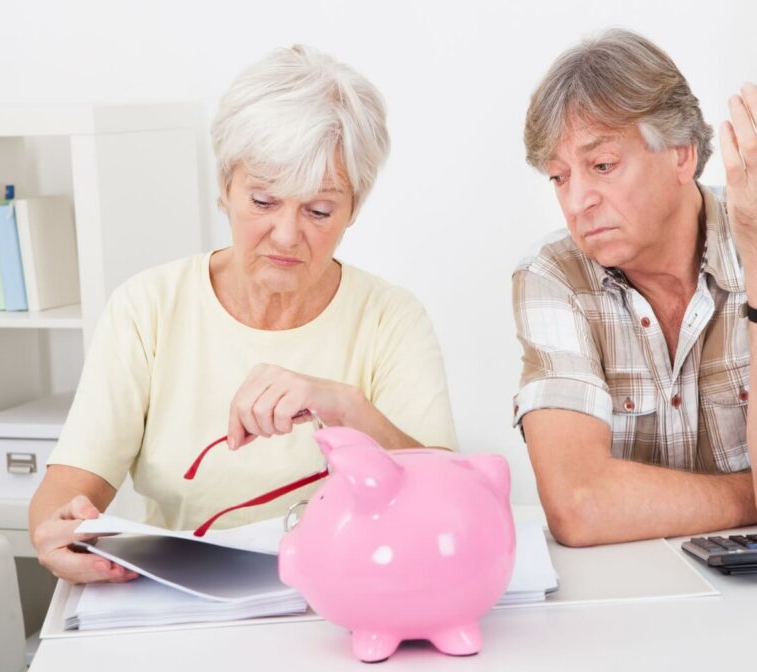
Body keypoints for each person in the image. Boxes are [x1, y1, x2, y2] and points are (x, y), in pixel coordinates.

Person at [29, 45, 458, 584]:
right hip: (182, 602)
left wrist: (347, 407)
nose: (285, 234)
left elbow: (449, 502)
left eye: (319, 210)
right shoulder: (148, 307)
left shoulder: (390, 317)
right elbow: (68, 490)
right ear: (225, 188)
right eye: (262, 201)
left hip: (347, 598)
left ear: (355, 208)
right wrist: (61, 529)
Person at [513, 29, 757, 560]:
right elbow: (578, 504)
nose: (577, 200)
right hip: (634, 594)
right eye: (559, 177)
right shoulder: (553, 274)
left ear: (681, 154)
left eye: (602, 165)